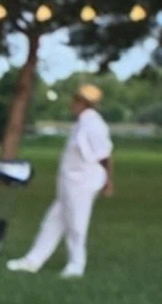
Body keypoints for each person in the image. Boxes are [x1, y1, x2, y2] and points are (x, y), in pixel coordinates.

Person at [7, 84, 114, 279]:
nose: (72, 104)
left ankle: (76, 264)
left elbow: (105, 155)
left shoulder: (94, 125)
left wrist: (108, 181)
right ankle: (33, 260)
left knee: (76, 224)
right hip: (70, 181)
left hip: (82, 182)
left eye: (76, 100)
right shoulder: (81, 123)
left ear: (84, 103)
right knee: (53, 221)